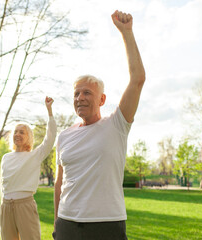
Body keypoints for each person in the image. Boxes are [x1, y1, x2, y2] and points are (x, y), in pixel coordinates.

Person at [53, 10, 145, 240]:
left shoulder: (117, 124)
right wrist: (57, 223)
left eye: (87, 93)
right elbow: (59, 182)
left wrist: (127, 33)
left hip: (106, 226)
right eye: (76, 94)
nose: (80, 98)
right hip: (66, 224)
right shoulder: (64, 136)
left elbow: (137, 80)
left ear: (102, 99)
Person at [0, 96, 57, 240]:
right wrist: (2, 206)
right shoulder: (6, 158)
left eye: (22, 132)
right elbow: (3, 185)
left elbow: (50, 139)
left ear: (28, 136)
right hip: (6, 206)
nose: (17, 134)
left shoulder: (34, 156)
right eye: (15, 132)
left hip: (25, 205)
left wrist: (49, 112)